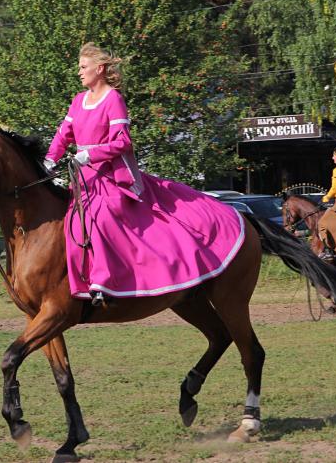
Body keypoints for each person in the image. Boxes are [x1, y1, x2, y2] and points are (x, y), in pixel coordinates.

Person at [44, 42, 245, 306]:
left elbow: (123, 142)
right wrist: (50, 158)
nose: (79, 72)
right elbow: (63, 134)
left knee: (101, 216)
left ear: (100, 69)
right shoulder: (78, 101)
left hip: (109, 177)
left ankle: (105, 281)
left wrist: (89, 154)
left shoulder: (113, 99)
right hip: (84, 179)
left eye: (83, 67)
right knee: (71, 219)